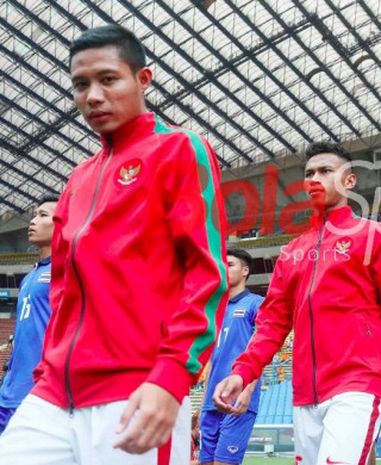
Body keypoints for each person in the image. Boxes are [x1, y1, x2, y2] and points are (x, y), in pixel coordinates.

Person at [0, 25, 228, 465]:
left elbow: (207, 272)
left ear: (143, 79)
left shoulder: (179, 149)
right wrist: (46, 368)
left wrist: (171, 377)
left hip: (136, 389)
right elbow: (63, 289)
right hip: (53, 393)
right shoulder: (78, 179)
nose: (93, 96)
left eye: (108, 79)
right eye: (81, 84)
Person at [213, 142, 381, 465]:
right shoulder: (292, 252)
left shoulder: (374, 238)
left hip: (359, 383)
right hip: (305, 395)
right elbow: (272, 324)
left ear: (349, 181)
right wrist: (243, 373)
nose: (314, 178)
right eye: (308, 174)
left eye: (325, 171)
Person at [199, 249, 264, 465]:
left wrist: (247, 391)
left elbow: (262, 349)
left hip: (236, 398)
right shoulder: (215, 309)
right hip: (211, 402)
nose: (224, 269)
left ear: (245, 271)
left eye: (231, 264)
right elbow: (213, 360)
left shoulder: (256, 304)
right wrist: (201, 406)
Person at [0, 196, 58, 434]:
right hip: (9, 393)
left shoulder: (67, 272)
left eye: (43, 215)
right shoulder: (29, 278)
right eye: (34, 214)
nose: (33, 221)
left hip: (37, 395)